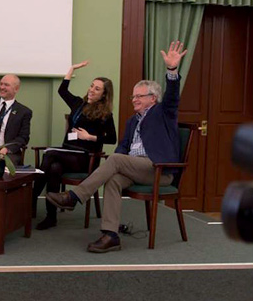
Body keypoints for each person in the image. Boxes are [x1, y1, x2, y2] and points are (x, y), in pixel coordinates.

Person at [46, 41, 188, 253]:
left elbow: (172, 96)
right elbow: (122, 147)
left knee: (115, 159)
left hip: (158, 169)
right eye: (133, 96)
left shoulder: (163, 113)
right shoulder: (132, 121)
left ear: (153, 98)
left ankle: (74, 197)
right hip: (135, 168)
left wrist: (172, 69)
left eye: (138, 96)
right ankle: (111, 235)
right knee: (113, 179)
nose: (133, 100)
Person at [31, 61, 117, 230]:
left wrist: (90, 137)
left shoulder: (106, 114)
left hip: (84, 158)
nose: (91, 90)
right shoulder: (78, 104)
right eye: (91, 86)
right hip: (66, 152)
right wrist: (71, 70)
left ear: (104, 95)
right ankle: (51, 216)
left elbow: (112, 139)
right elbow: (62, 90)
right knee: (54, 168)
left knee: (49, 154)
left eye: (97, 89)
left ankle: (32, 197)